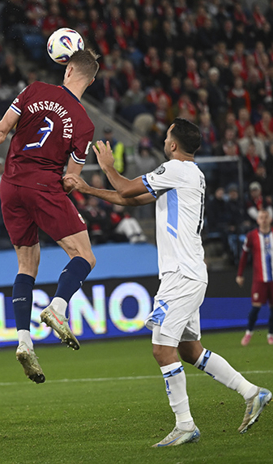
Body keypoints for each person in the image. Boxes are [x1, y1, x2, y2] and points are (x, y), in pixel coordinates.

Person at [65, 118, 271, 446]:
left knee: (162, 349)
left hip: (181, 275)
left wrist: (107, 167)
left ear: (173, 145)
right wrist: (87, 189)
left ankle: (185, 425)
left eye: (166, 136)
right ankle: (251, 392)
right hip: (189, 272)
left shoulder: (176, 169)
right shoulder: (190, 174)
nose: (163, 140)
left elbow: (126, 188)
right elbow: (132, 200)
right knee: (190, 350)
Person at [0, 50, 101, 383]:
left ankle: (23, 341)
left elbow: (0, 130)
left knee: (26, 264)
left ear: (68, 69)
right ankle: (58, 308)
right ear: (90, 81)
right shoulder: (84, 123)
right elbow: (71, 179)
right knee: (84, 255)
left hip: (10, 185)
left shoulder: (34, 90)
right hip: (43, 186)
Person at [236, 209, 273, 346]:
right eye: (261, 217)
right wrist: (240, 274)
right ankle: (249, 332)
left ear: (270, 219)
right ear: (257, 220)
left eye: (266, 217)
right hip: (259, 279)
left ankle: (271, 335)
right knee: (255, 308)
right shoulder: (252, 236)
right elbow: (244, 255)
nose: (264, 219)